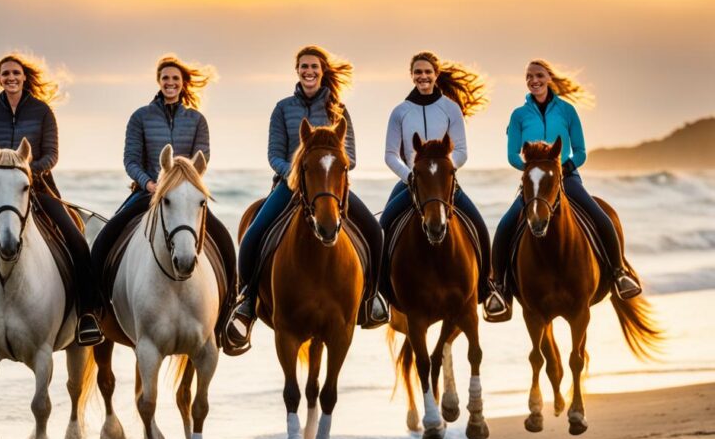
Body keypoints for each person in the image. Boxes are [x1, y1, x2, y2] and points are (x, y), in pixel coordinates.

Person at [224, 45, 388, 352]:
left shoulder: (338, 109)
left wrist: (328, 170)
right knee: (253, 236)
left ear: (322, 71)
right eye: (303, 67)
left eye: (313, 66)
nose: (308, 71)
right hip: (290, 185)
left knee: (374, 233)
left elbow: (349, 155)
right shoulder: (283, 108)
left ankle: (372, 298)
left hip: (330, 187)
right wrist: (295, 174)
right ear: (297, 71)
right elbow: (274, 153)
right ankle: (246, 303)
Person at [0, 53, 103, 347]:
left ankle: (86, 314)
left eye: (15, 73)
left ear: (24, 77)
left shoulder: (42, 112)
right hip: (2, 198)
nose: (11, 78)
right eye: (5, 74)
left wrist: (27, 170)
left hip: (40, 191)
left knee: (78, 245)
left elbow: (52, 155)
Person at [89, 54, 238, 340]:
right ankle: (94, 310)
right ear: (159, 82)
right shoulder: (140, 117)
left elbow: (201, 157)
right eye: (165, 78)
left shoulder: (196, 119)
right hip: (148, 193)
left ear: (183, 84)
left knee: (223, 240)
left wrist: (182, 182)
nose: (170, 83)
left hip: (184, 195)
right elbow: (131, 159)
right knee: (106, 237)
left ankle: (228, 312)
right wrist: (148, 184)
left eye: (175, 79)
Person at [488, 59, 642, 321]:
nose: (533, 80)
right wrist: (531, 167)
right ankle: (500, 289)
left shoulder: (567, 111)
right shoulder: (519, 115)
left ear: (549, 78)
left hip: (567, 177)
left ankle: (619, 273)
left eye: (538, 75)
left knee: (601, 216)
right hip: (535, 180)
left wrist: (565, 166)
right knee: (504, 225)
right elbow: (512, 154)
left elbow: (581, 151)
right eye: (529, 77)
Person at [380, 51, 507, 319]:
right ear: (411, 75)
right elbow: (391, 154)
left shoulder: (450, 108)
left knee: (479, 226)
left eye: (427, 72)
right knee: (382, 230)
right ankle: (377, 295)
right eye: (418, 72)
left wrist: (444, 172)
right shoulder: (400, 111)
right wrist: (410, 176)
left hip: (444, 185)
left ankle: (488, 288)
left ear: (436, 75)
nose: (423, 76)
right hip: (410, 183)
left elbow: (461, 150)